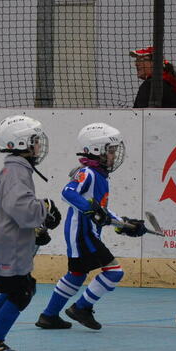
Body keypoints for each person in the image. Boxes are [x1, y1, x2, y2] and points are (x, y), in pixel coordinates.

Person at [0, 115, 61, 351]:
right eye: (34, 141)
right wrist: (45, 208)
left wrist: (37, 227)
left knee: (22, 286)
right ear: (20, 143)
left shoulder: (14, 169)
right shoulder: (17, 172)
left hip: (7, 241)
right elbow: (22, 207)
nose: (38, 145)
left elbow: (14, 208)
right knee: (21, 292)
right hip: (8, 245)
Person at [35, 123, 147, 331]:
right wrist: (91, 209)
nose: (114, 155)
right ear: (97, 150)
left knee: (76, 275)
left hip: (84, 234)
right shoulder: (87, 173)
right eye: (111, 150)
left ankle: (48, 316)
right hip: (83, 234)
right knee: (114, 272)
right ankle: (82, 308)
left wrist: (125, 225)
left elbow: (101, 211)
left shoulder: (100, 176)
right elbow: (67, 192)